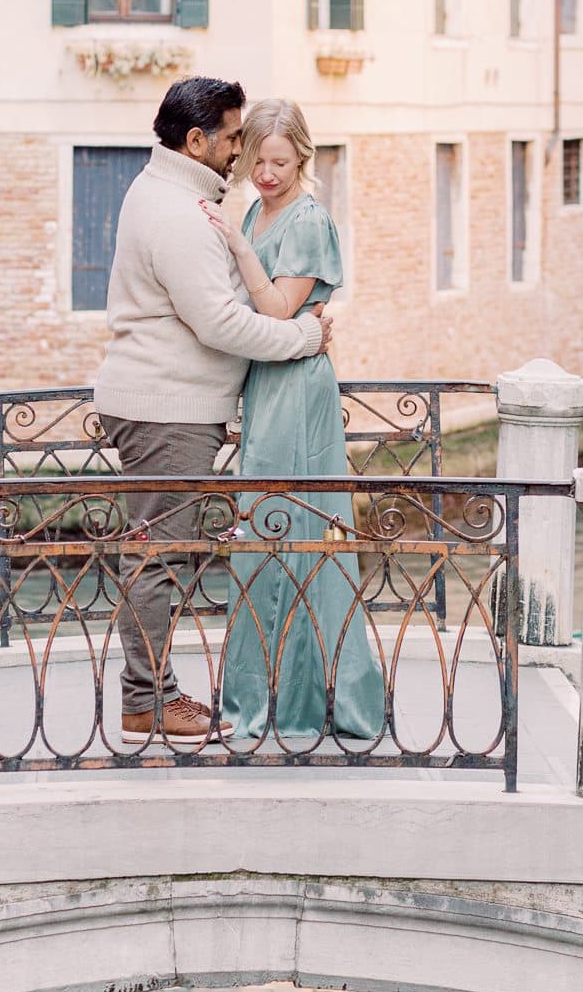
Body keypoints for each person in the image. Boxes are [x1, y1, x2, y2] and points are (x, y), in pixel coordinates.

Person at [94, 77, 333, 746]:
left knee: (155, 552)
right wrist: (303, 338)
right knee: (155, 556)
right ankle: (149, 701)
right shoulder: (176, 213)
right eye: (231, 135)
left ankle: (152, 694)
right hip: (164, 410)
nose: (241, 149)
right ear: (196, 141)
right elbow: (220, 323)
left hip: (169, 405)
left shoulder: (173, 197)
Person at [200, 98, 386, 742]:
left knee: (297, 526)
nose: (266, 172)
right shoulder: (255, 210)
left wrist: (230, 241)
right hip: (267, 382)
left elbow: (278, 307)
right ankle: (271, 694)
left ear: (302, 156)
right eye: (255, 159)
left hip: (298, 388)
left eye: (278, 160)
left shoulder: (307, 221)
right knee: (264, 534)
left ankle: (312, 695)